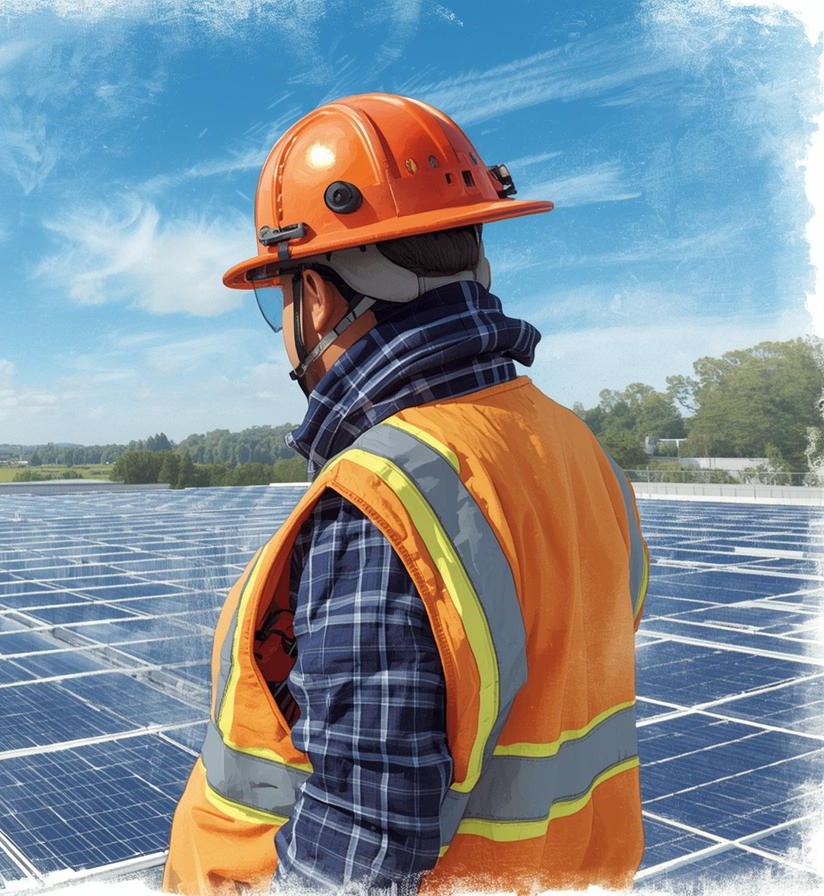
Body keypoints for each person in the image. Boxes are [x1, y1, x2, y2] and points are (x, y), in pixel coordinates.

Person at [163, 93, 648, 894]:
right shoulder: (581, 454)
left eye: (276, 300)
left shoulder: (387, 498)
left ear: (314, 297)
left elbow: (357, 848)